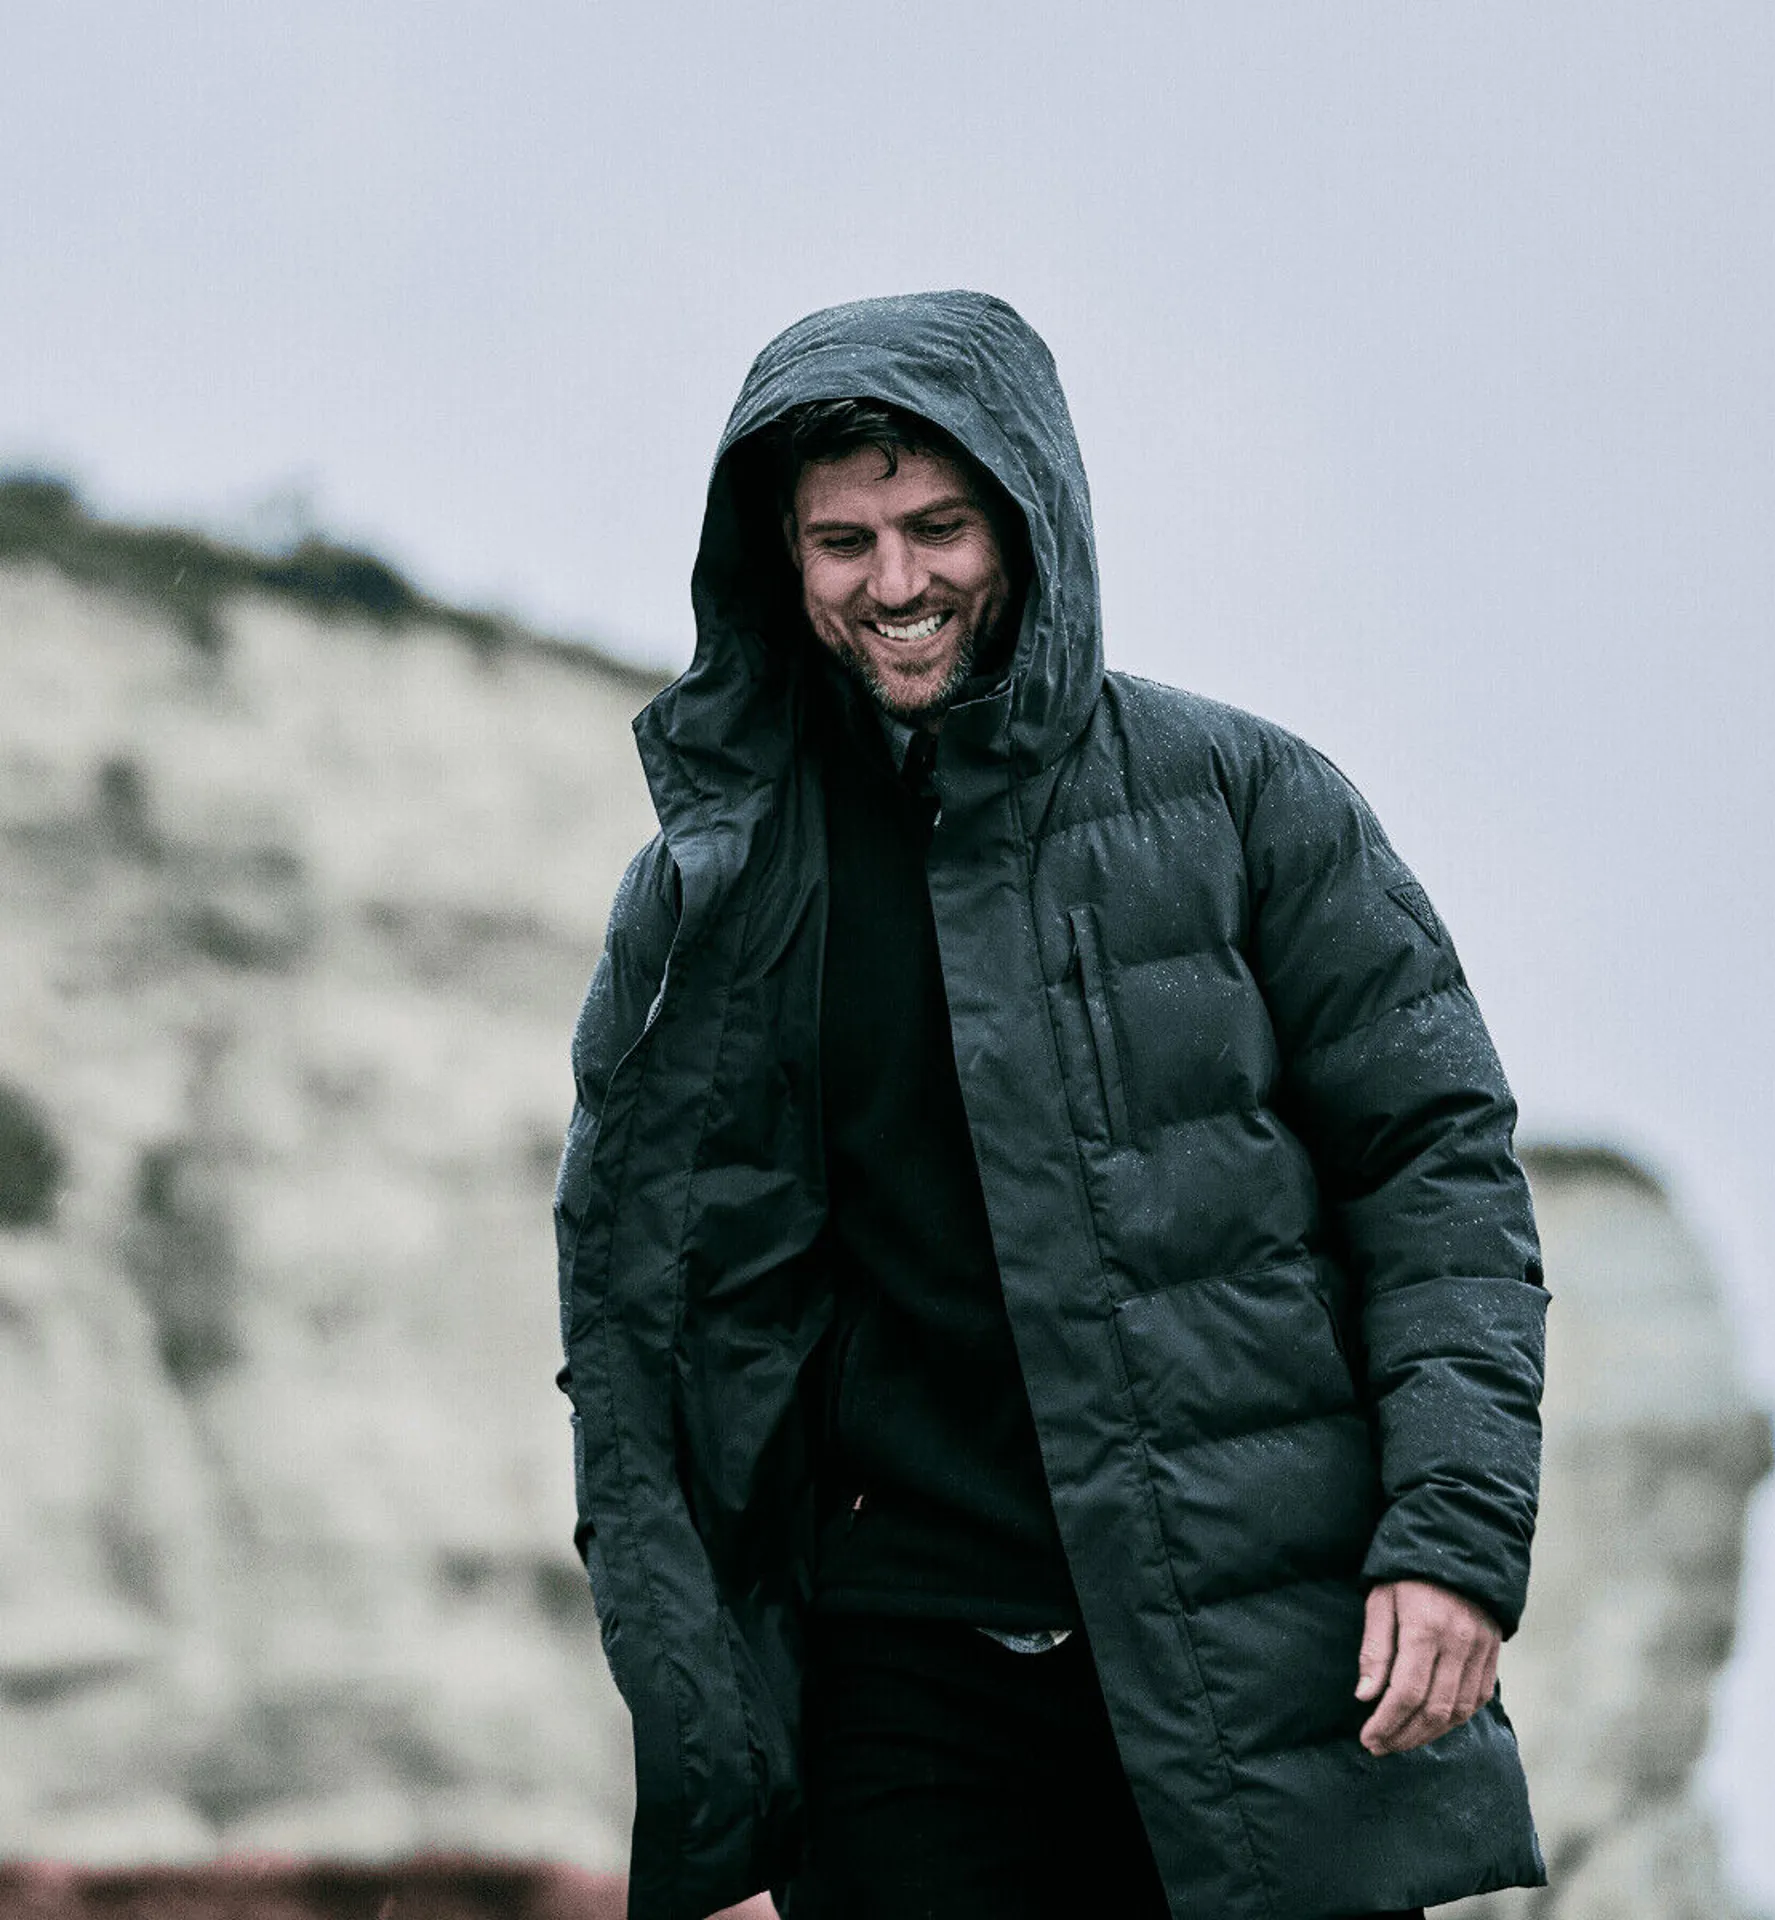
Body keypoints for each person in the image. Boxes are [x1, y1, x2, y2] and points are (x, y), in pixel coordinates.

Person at [554, 291, 1550, 1920]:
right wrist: (718, 1793)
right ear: (781, 560)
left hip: (1252, 1644)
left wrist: (1452, 1538)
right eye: (844, 541)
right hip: (903, 1683)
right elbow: (633, 1337)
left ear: (1028, 522)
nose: (895, 583)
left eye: (938, 528)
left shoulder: (1247, 802)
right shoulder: (711, 898)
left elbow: (1435, 1172)